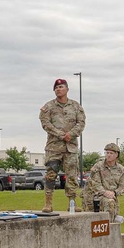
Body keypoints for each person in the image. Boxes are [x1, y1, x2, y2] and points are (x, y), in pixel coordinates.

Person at [39, 79, 86, 213]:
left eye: (61, 87)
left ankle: (72, 203)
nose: (58, 89)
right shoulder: (48, 106)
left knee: (71, 176)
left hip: (70, 148)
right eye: (56, 88)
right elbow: (45, 123)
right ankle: (48, 204)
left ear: (67, 89)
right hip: (54, 148)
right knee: (50, 175)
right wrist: (60, 134)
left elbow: (81, 123)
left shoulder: (76, 106)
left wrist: (71, 134)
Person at [88, 143, 124, 222]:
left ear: (116, 155)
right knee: (92, 223)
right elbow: (94, 183)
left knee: (113, 217)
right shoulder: (98, 167)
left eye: (111, 153)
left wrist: (114, 193)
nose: (108, 155)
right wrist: (105, 192)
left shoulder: (121, 169)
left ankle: (110, 229)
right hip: (97, 197)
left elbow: (123, 186)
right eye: (107, 153)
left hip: (112, 197)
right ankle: (108, 228)